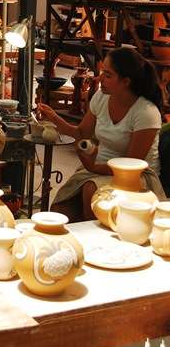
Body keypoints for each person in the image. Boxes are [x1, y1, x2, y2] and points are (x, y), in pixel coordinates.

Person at [38, 47, 165, 222]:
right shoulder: (102, 97)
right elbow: (81, 132)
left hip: (136, 177)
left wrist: (94, 167)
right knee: (62, 211)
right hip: (97, 167)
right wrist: (53, 117)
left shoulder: (146, 112)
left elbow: (131, 165)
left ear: (125, 81)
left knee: (93, 191)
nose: (100, 79)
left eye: (108, 75)